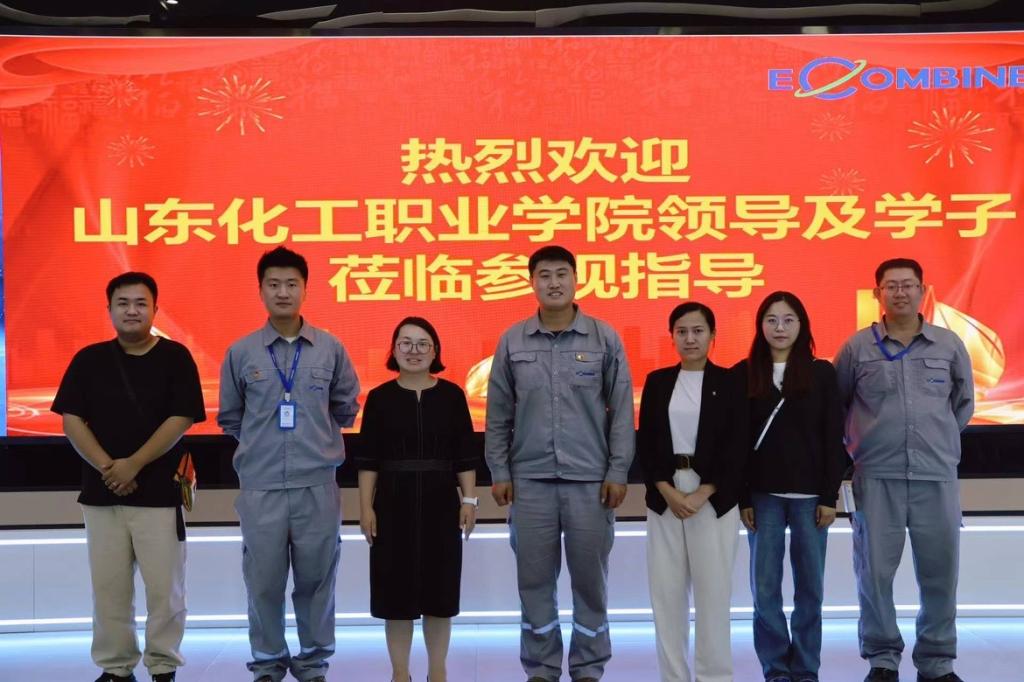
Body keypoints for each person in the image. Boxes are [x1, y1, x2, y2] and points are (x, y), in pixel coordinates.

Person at [485, 245, 635, 682]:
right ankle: (541, 668)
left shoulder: (604, 338)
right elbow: (498, 413)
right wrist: (499, 471)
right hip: (529, 483)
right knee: (534, 584)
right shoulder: (513, 340)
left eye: (561, 274)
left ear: (575, 279)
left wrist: (618, 470)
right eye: (545, 275)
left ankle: (588, 667)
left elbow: (621, 411)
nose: (554, 283)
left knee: (590, 582)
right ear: (532, 282)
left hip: (590, 483)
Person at [51, 272, 206, 682]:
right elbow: (71, 420)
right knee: (109, 590)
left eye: (141, 303)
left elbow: (181, 418)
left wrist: (133, 464)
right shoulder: (89, 360)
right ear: (109, 310)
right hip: (102, 495)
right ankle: (116, 667)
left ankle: (163, 666)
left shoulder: (175, 357)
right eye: (123, 303)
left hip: (159, 495)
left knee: (166, 591)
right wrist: (110, 468)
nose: (132, 311)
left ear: (155, 309)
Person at [218, 247, 360, 682]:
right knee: (263, 581)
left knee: (317, 579)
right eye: (274, 284)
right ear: (260, 290)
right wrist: (264, 446)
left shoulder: (330, 348)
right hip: (260, 486)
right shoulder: (241, 352)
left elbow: (346, 407)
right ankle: (267, 662)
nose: (283, 292)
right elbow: (231, 417)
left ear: (305, 289)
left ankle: (313, 661)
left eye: (291, 284)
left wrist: (312, 440)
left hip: (317, 484)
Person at [834, 258, 974, 682]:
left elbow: (962, 405)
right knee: (874, 575)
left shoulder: (948, 345)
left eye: (908, 285)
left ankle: (937, 663)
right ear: (877, 293)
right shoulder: (857, 348)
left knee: (940, 573)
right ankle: (882, 660)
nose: (900, 292)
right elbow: (838, 406)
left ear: (922, 291)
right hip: (877, 476)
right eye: (891, 286)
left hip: (936, 476)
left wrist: (935, 439)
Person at [356, 316, 478, 682]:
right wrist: (365, 507)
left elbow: (465, 456)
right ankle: (400, 674)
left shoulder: (453, 396)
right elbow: (368, 461)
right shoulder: (379, 398)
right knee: (396, 597)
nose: (414, 350)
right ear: (394, 350)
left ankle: (437, 672)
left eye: (422, 343)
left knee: (440, 595)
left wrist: (469, 501)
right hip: (392, 503)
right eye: (405, 343)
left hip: (442, 501)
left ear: (435, 351)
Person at [735, 291, 848, 682]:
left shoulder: (821, 373)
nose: (779, 328)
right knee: (764, 590)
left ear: (802, 325)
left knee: (810, 591)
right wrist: (743, 497)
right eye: (771, 320)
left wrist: (830, 496)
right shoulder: (744, 373)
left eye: (788, 320)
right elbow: (737, 443)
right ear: (760, 326)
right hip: (762, 497)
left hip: (811, 499)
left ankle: (805, 668)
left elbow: (834, 437)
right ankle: (776, 669)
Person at [636, 301, 744, 682]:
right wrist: (667, 490)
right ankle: (674, 676)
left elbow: (737, 446)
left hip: (713, 499)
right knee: (666, 594)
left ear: (713, 336)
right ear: (672, 337)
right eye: (681, 332)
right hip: (666, 496)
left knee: (713, 593)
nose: (690, 338)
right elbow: (647, 444)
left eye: (698, 331)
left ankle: (715, 676)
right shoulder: (658, 382)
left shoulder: (730, 383)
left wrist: (704, 493)